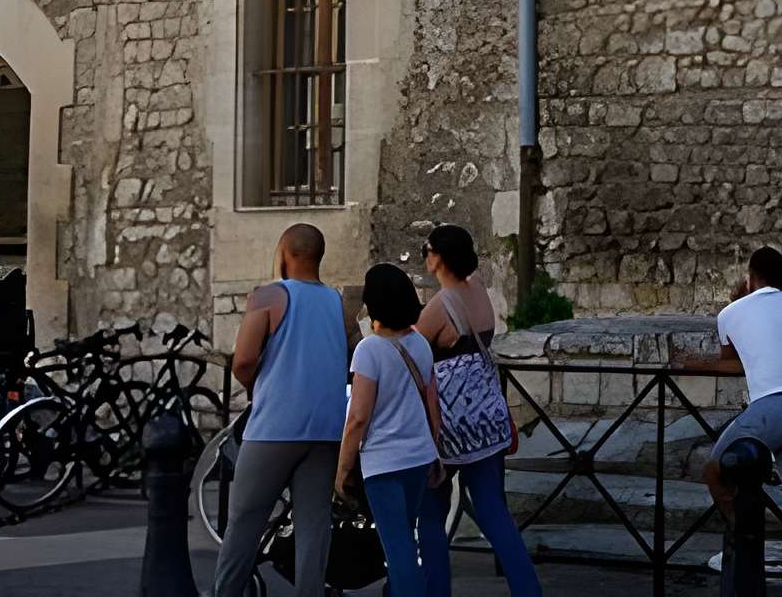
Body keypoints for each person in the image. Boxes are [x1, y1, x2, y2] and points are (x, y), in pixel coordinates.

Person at [676, 245, 782, 597]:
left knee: (715, 470)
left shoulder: (730, 312)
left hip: (770, 409)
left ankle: (738, 530)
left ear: (749, 276)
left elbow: (733, 361)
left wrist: (691, 363)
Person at [214, 223, 354, 597]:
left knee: (244, 519)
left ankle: (225, 593)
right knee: (314, 524)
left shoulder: (268, 296)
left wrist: (255, 388)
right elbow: (352, 354)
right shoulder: (338, 302)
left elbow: (243, 360)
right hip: (326, 427)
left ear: (285, 252)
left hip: (275, 425)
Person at [419, 224, 543, 597]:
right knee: (494, 513)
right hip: (485, 421)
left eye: (427, 248)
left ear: (439, 256)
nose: (424, 254)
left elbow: (414, 355)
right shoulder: (480, 295)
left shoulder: (441, 305)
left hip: (448, 424)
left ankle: (436, 590)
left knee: (431, 515)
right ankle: (527, 590)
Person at [339, 264, 451, 597]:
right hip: (419, 457)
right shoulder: (419, 343)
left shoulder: (368, 350)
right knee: (406, 538)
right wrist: (437, 451)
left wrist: (342, 468)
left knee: (397, 551)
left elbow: (358, 416)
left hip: (384, 463)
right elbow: (432, 404)